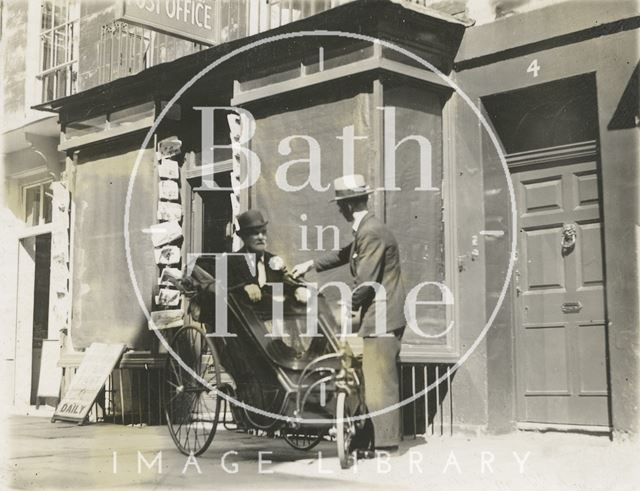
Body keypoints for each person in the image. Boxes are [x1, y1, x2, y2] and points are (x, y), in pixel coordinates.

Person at [291, 174, 406, 455]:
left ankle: (386, 447)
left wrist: (348, 308)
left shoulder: (371, 231)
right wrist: (311, 264)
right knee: (368, 380)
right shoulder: (366, 229)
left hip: (382, 317)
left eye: (340, 205)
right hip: (376, 317)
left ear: (347, 206)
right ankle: (370, 442)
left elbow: (366, 282)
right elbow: (346, 255)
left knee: (380, 384)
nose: (340, 210)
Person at [229, 209, 307, 304]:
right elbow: (222, 291)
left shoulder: (274, 261)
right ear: (244, 237)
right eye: (255, 233)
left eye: (263, 232)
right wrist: (244, 288)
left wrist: (297, 289)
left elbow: (285, 285)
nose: (261, 237)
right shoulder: (231, 261)